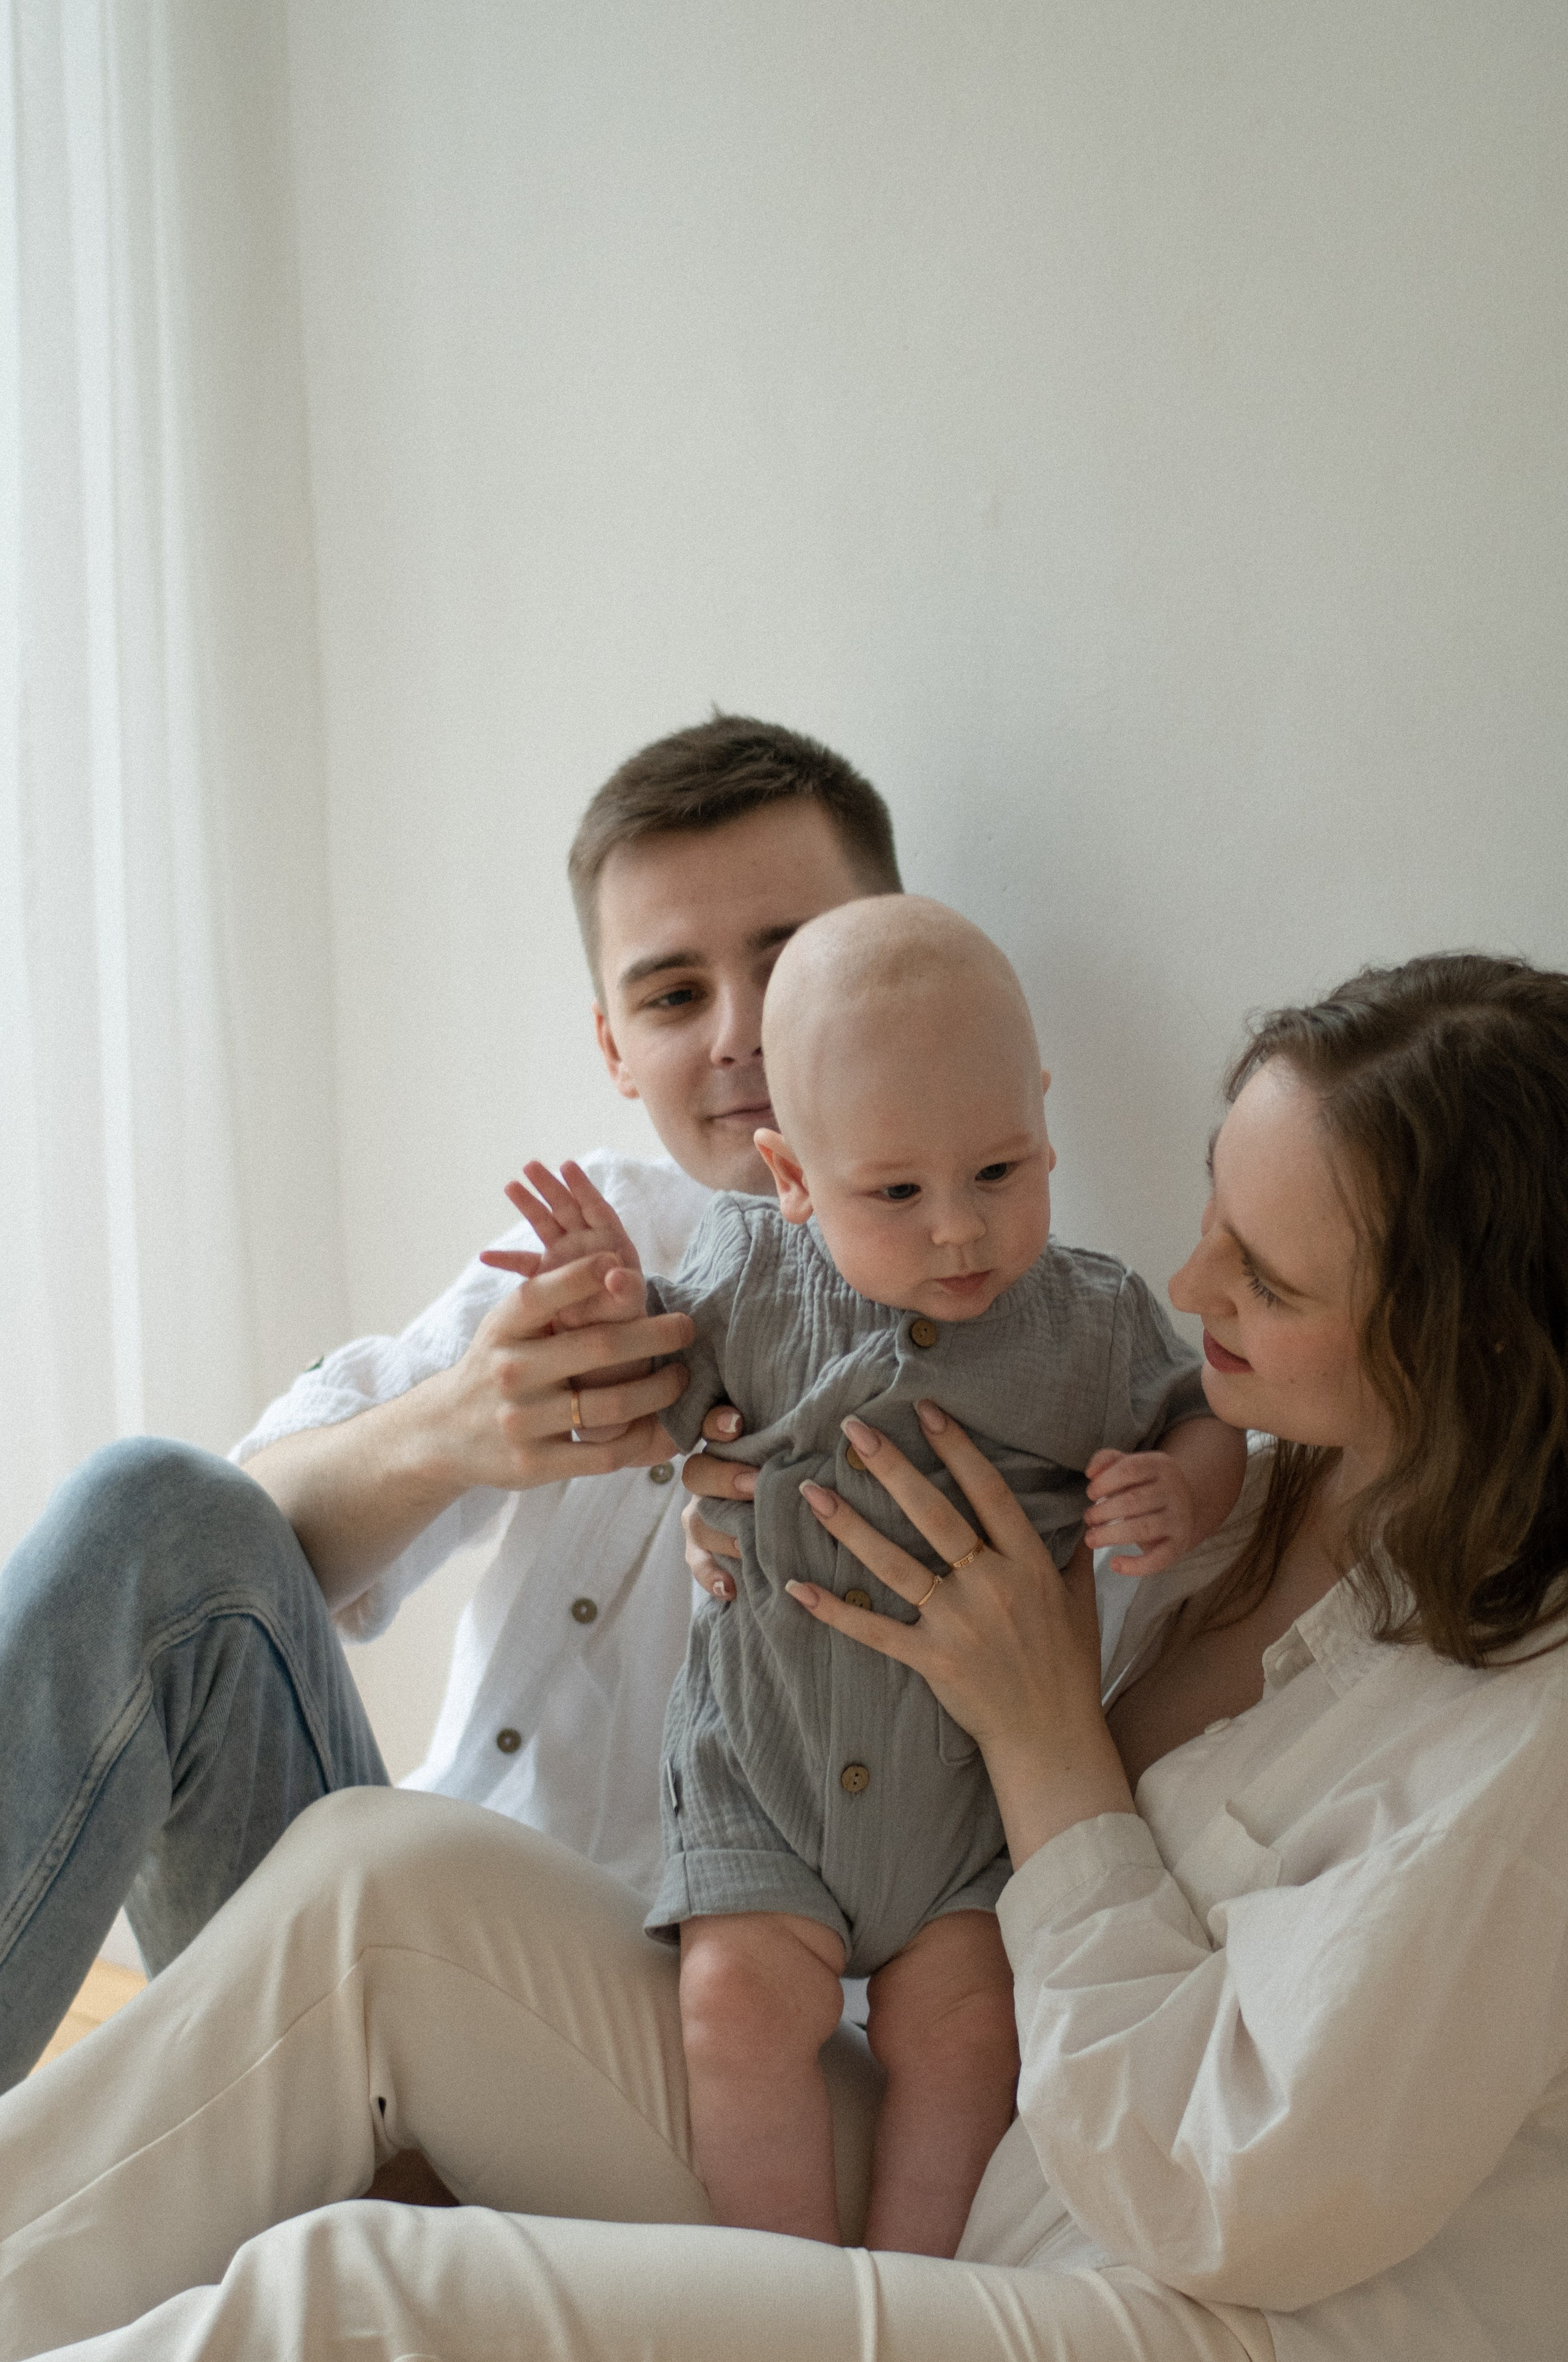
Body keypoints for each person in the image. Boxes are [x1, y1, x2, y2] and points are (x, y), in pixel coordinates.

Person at [5, 952, 1568, 2362]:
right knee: (379, 1887)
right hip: (1021, 2185)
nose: (1188, 1283)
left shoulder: (1562, 1716)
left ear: (1467, 1338)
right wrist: (744, 1507)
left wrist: (1043, 1736)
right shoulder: (1263, 1504)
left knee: (372, 2318)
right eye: (1211, 1216)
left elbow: (1229, 2189)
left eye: (1261, 1275)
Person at [0, 714, 910, 2088]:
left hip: (714, 2054)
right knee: (144, 1504)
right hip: (412, 1942)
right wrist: (463, 1429)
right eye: (673, 996)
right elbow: (226, 1543)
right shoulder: (597, 1243)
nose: (736, 1034)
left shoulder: (1008, 1334)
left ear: (888, 958)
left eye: (783, 967)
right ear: (614, 1046)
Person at [489, 898, 1244, 2254]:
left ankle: (905, 2298)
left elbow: (1201, 1411)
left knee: (969, 2035)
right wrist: (613, 1303)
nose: (959, 1229)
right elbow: (662, 1399)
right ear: (790, 1175)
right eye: (896, 1193)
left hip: (963, 1814)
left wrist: (1183, 1485)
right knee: (733, 2007)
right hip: (765, 1771)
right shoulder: (744, 1274)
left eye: (998, 1171)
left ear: (1043, 1121)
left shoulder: (1086, 1321)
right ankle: (790, 2289)